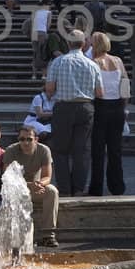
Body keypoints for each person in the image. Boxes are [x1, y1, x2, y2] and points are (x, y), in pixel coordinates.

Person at [44, 32, 101, 196]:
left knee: (61, 149)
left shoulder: (58, 62)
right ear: (83, 44)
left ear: (68, 43)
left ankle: (64, 188)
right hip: (85, 107)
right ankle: (78, 187)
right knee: (82, 150)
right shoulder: (92, 64)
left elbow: (49, 89)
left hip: (63, 106)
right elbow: (99, 92)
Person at [2, 121, 60, 247]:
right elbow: (8, 178)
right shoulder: (11, 150)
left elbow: (47, 177)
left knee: (52, 191)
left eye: (29, 139)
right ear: (18, 140)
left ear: (36, 139)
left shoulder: (44, 150)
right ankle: (17, 237)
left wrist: (39, 184)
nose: (26, 142)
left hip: (36, 188)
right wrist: (30, 185)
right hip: (16, 190)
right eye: (22, 139)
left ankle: (48, 235)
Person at [87, 32, 129, 196]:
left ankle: (96, 187)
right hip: (117, 106)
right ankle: (117, 186)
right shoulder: (118, 61)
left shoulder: (93, 62)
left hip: (100, 106)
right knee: (115, 150)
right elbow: (125, 85)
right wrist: (124, 107)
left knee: (97, 150)